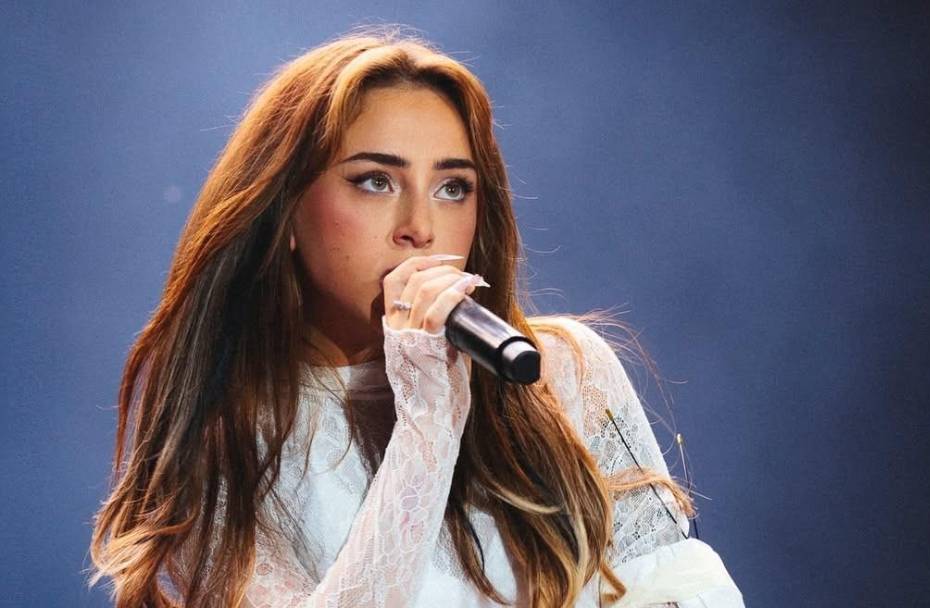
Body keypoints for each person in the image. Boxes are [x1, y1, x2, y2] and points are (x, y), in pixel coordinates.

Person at [88, 26, 744, 608]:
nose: (420, 228)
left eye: (452, 187)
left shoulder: (563, 373)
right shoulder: (227, 446)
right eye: (376, 180)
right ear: (286, 211)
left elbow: (674, 589)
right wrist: (428, 420)